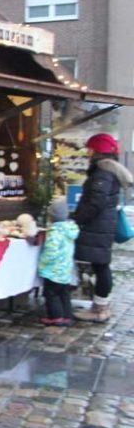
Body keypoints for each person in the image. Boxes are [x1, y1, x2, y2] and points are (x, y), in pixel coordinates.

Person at [72, 133, 133, 323]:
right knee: (101, 265)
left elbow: (95, 202)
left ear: (98, 151)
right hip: (102, 225)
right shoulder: (106, 170)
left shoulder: (103, 173)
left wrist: (77, 218)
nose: (87, 152)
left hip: (98, 226)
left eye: (90, 149)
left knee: (101, 265)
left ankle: (100, 309)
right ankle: (101, 306)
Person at [38, 197, 79, 326]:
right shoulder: (70, 230)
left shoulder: (55, 232)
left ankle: (55, 316)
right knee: (64, 293)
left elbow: (51, 250)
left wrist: (42, 263)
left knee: (51, 294)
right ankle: (67, 315)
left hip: (53, 270)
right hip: (66, 269)